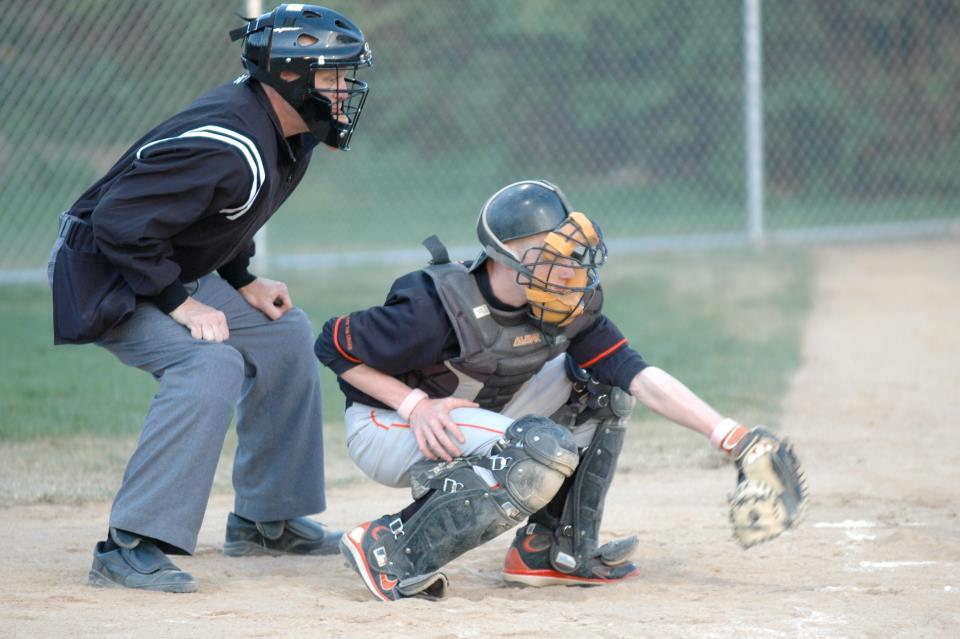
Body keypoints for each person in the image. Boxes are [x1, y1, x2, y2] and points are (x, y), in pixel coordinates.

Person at [314, 179, 781, 601]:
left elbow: (637, 374)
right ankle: (389, 547)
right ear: (508, 254)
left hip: (469, 414)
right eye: (552, 252)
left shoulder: (564, 306)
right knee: (540, 449)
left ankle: (551, 549)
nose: (569, 267)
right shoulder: (435, 307)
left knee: (605, 389)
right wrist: (413, 404)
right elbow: (332, 343)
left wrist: (731, 437)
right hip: (388, 426)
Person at [47, 4, 373, 593]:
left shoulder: (285, 131)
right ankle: (130, 544)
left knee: (282, 332)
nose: (346, 89)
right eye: (334, 76)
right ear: (292, 78)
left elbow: (216, 216)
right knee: (207, 361)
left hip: (157, 261)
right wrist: (179, 301)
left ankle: (266, 519)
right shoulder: (229, 140)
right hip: (102, 273)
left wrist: (243, 278)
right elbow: (118, 223)